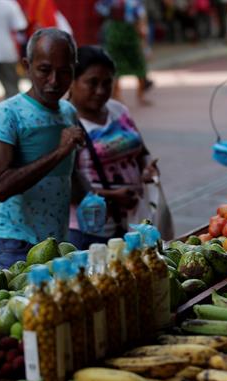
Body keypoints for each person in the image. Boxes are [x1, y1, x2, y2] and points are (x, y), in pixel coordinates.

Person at [0, 28, 84, 268]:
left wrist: (94, 200)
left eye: (64, 72)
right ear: (27, 65)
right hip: (15, 242)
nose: (54, 81)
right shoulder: (7, 113)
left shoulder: (68, 112)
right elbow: (0, 186)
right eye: (44, 70)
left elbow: (70, 174)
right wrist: (59, 152)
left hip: (56, 240)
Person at [67, 46, 159, 249]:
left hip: (131, 224)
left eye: (107, 83)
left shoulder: (118, 110)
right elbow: (67, 186)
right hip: (89, 232)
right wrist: (113, 196)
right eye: (92, 83)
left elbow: (141, 151)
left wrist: (147, 169)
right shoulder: (65, 123)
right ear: (72, 82)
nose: (100, 91)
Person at [96, 0, 153, 105]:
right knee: (115, 64)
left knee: (138, 64)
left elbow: (140, 17)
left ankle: (140, 95)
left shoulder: (133, 2)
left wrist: (142, 34)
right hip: (116, 31)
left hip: (129, 31)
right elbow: (100, 9)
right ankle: (117, 95)